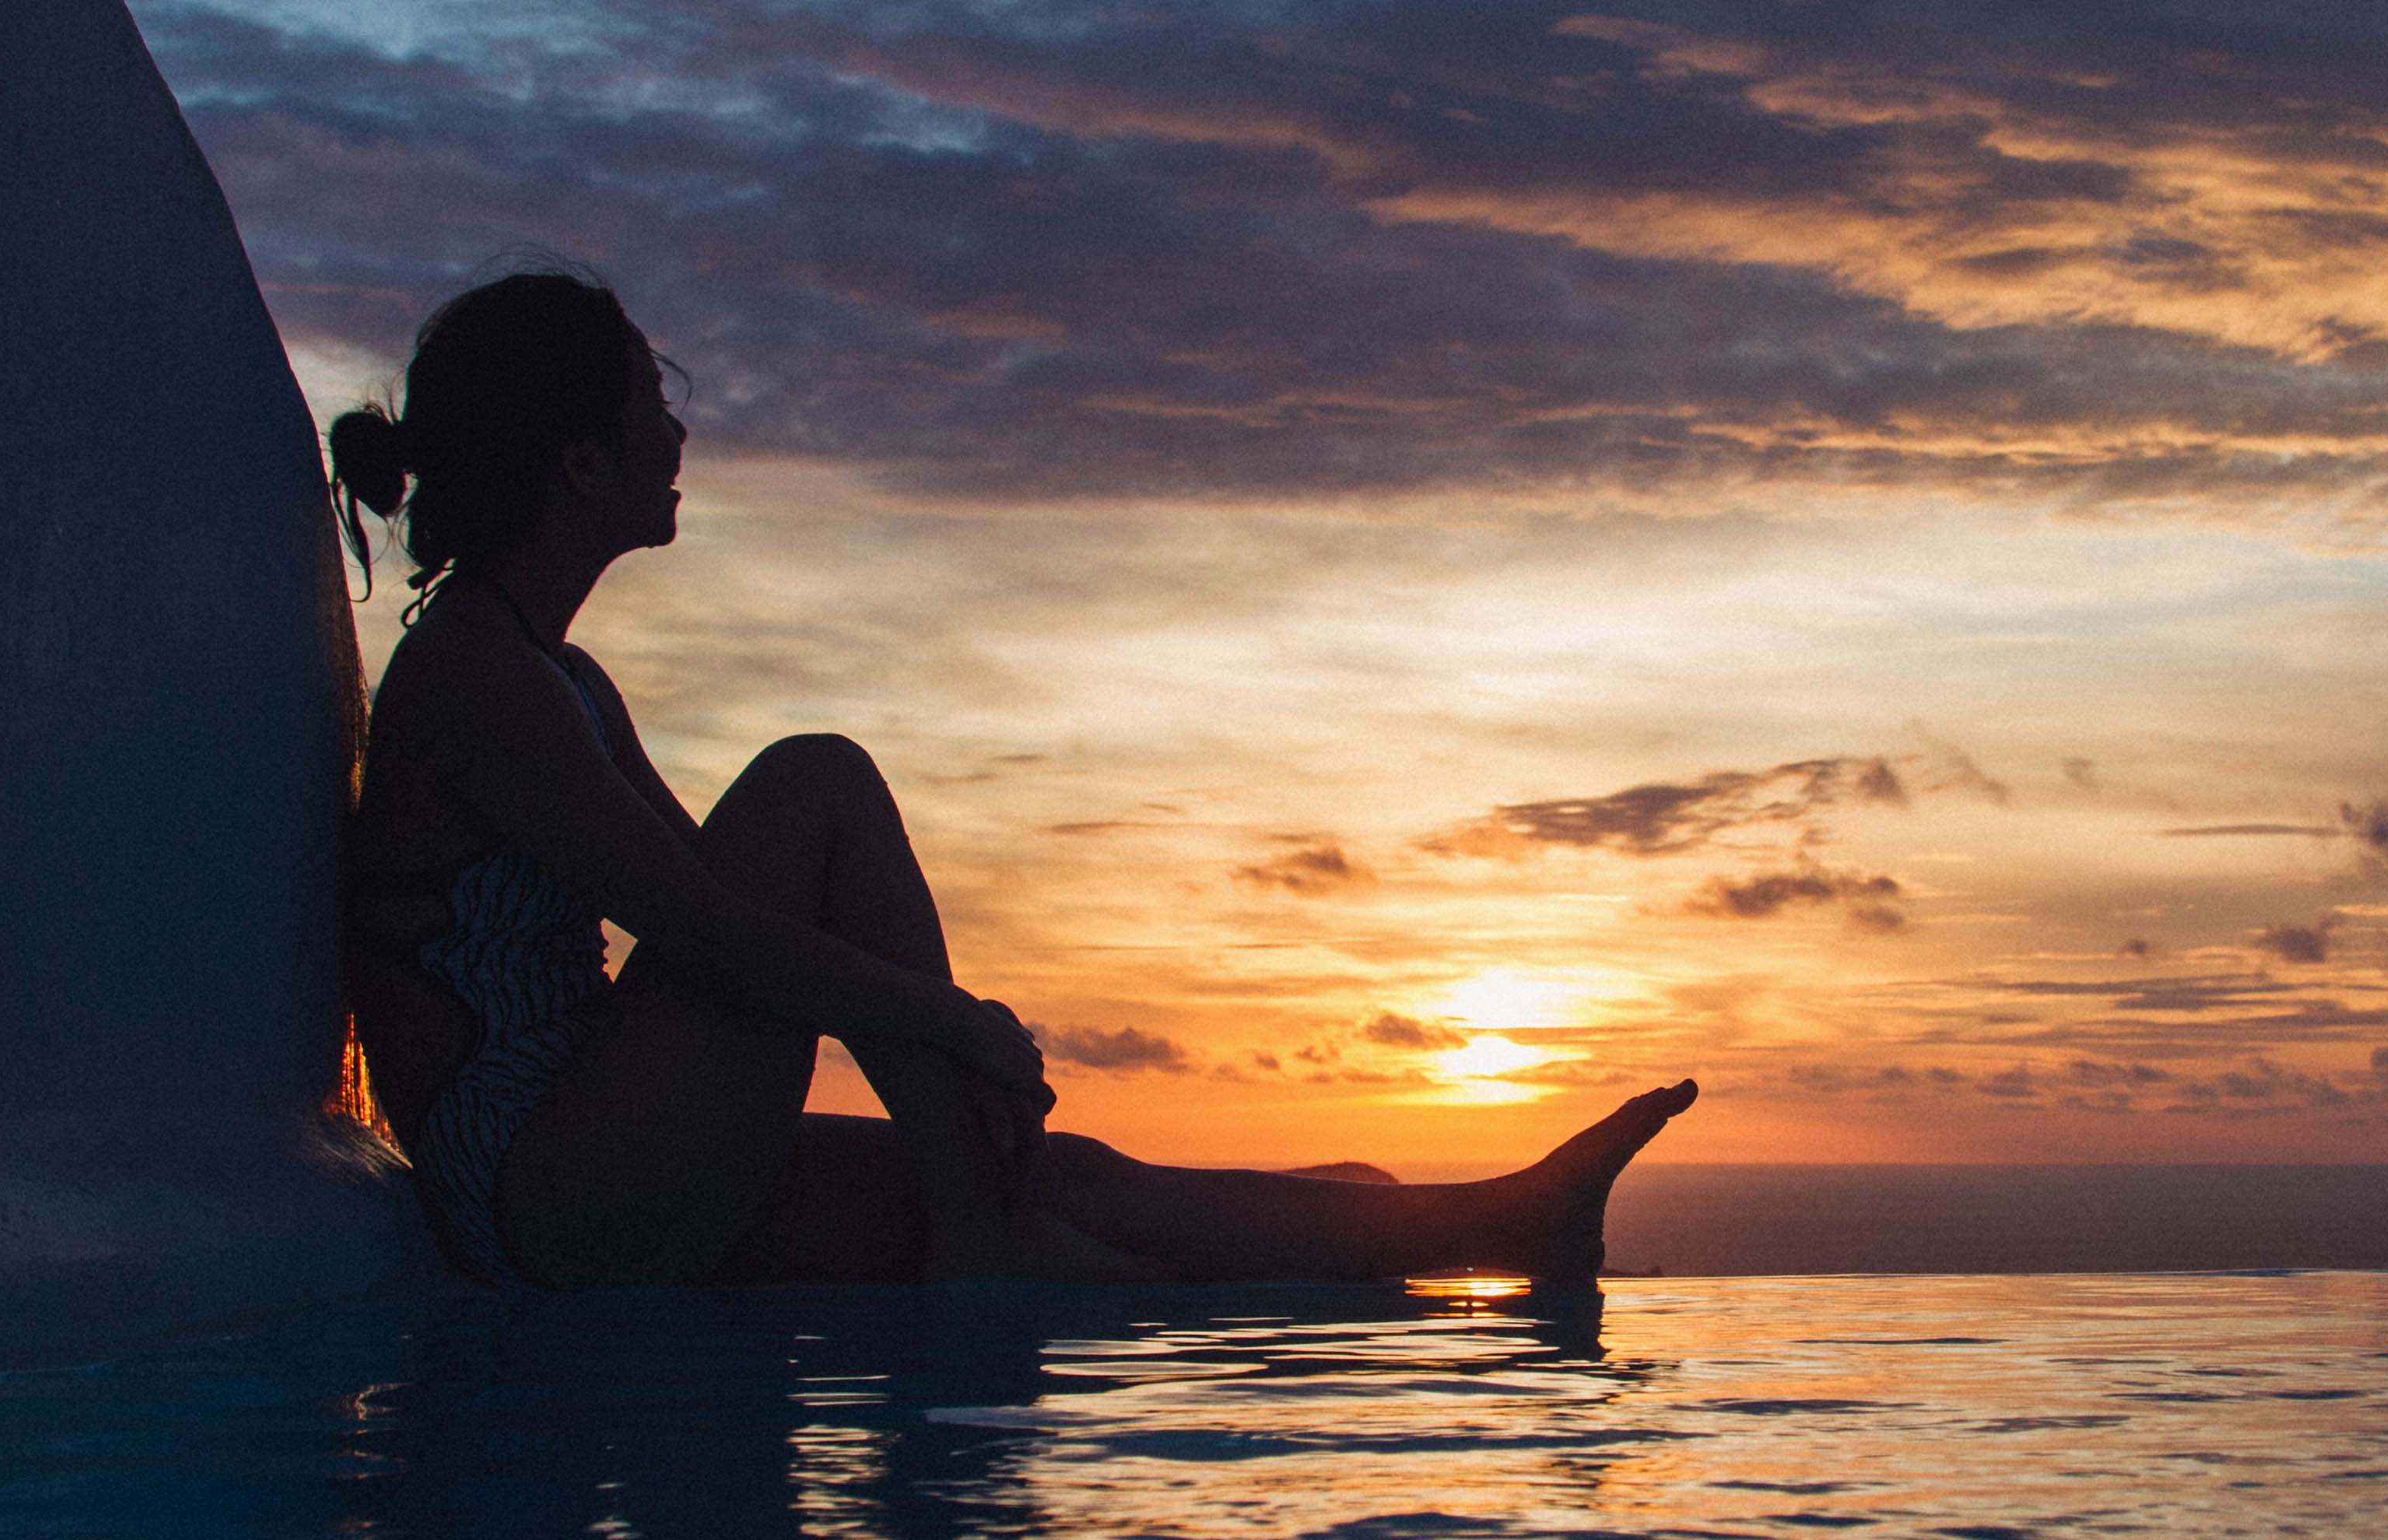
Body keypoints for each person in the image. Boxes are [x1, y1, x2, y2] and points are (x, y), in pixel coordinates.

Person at [327, 269, 1693, 1289]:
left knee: (1069, 1185)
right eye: (652, 404)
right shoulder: (472, 678)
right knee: (818, 778)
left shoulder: (553, 677)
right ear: (579, 461)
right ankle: (987, 1233)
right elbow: (720, 941)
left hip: (604, 1152)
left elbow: (740, 930)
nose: (680, 435)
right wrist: (951, 1023)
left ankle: (1500, 1222)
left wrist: (944, 1061)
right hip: (538, 1196)